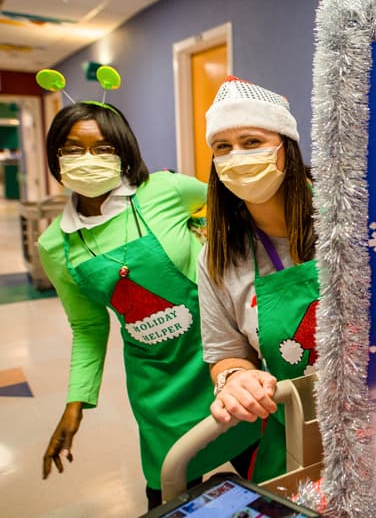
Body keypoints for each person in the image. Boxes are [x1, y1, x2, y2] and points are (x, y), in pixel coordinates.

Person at [38, 97, 259, 509]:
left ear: (123, 152)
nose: (88, 159)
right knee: (170, 496)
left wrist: (208, 234)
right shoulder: (56, 245)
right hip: (158, 387)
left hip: (225, 364)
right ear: (56, 155)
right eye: (73, 148)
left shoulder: (165, 190)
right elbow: (88, 327)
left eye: (103, 147)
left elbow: (232, 203)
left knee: (263, 479)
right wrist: (75, 404)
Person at [198, 76, 319, 483]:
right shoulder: (218, 256)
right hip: (296, 439)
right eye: (223, 147)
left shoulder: (349, 216)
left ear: (286, 146)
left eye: (252, 142)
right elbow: (225, 354)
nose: (237, 157)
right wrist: (236, 379)